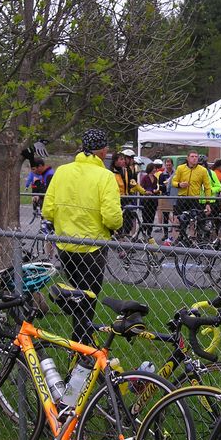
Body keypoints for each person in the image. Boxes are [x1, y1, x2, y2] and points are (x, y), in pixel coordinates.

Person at [42, 129, 122, 344]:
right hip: (93, 247)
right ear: (103, 150)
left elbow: (47, 210)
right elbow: (113, 218)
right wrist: (113, 226)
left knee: (77, 295)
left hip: (65, 244)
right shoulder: (105, 176)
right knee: (88, 298)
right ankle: (82, 344)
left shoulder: (62, 171)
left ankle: (78, 341)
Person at [171, 150, 211, 217]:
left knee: (193, 219)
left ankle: (191, 227)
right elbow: (173, 182)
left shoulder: (203, 170)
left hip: (194, 198)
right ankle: (176, 227)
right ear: (188, 158)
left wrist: (208, 203)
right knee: (177, 219)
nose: (194, 158)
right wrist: (179, 185)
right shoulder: (180, 168)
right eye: (192, 156)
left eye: (196, 157)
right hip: (182, 198)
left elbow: (207, 187)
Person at [140, 163, 161, 241]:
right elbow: (141, 188)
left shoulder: (155, 178)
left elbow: (156, 188)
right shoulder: (145, 177)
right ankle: (143, 233)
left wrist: (156, 191)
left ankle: (149, 234)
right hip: (146, 201)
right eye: (153, 168)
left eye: (155, 168)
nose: (155, 169)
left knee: (151, 217)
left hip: (153, 201)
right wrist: (146, 191)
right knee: (145, 217)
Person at [158, 158, 175, 242]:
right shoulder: (162, 175)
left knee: (176, 215)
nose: (168, 166)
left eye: (169, 165)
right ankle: (165, 234)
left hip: (174, 195)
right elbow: (160, 186)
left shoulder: (175, 173)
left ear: (172, 165)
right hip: (165, 196)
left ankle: (175, 234)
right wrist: (164, 185)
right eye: (167, 165)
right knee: (165, 215)